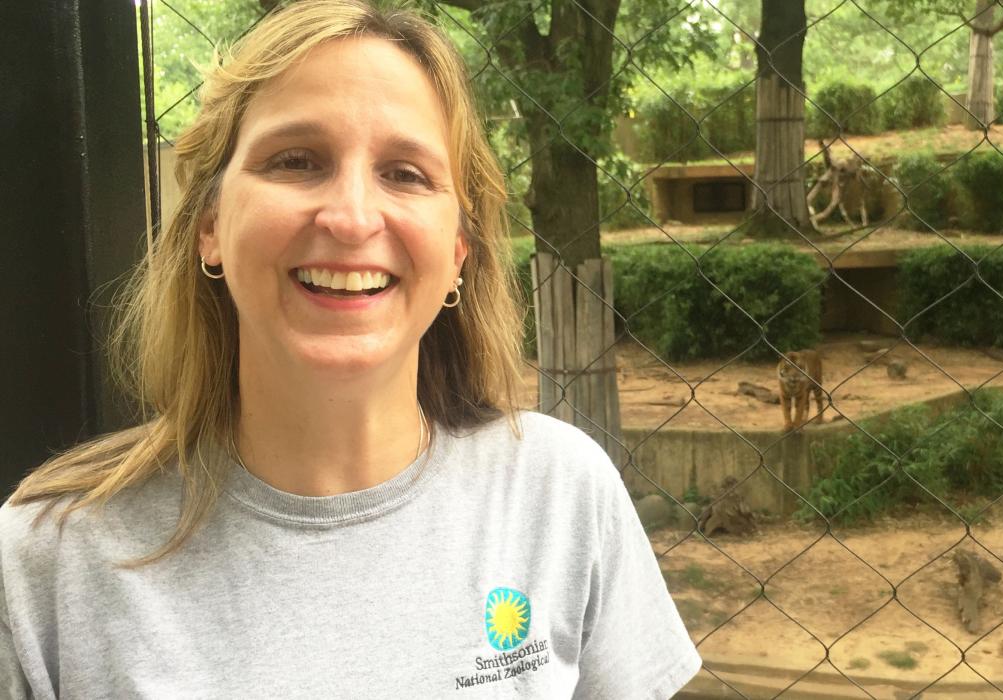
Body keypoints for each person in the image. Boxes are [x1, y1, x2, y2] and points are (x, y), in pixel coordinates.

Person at [0, 1, 701, 697]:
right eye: (297, 161)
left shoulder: (558, 495)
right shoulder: (46, 563)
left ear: (458, 252)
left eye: (405, 173)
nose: (352, 217)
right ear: (209, 226)